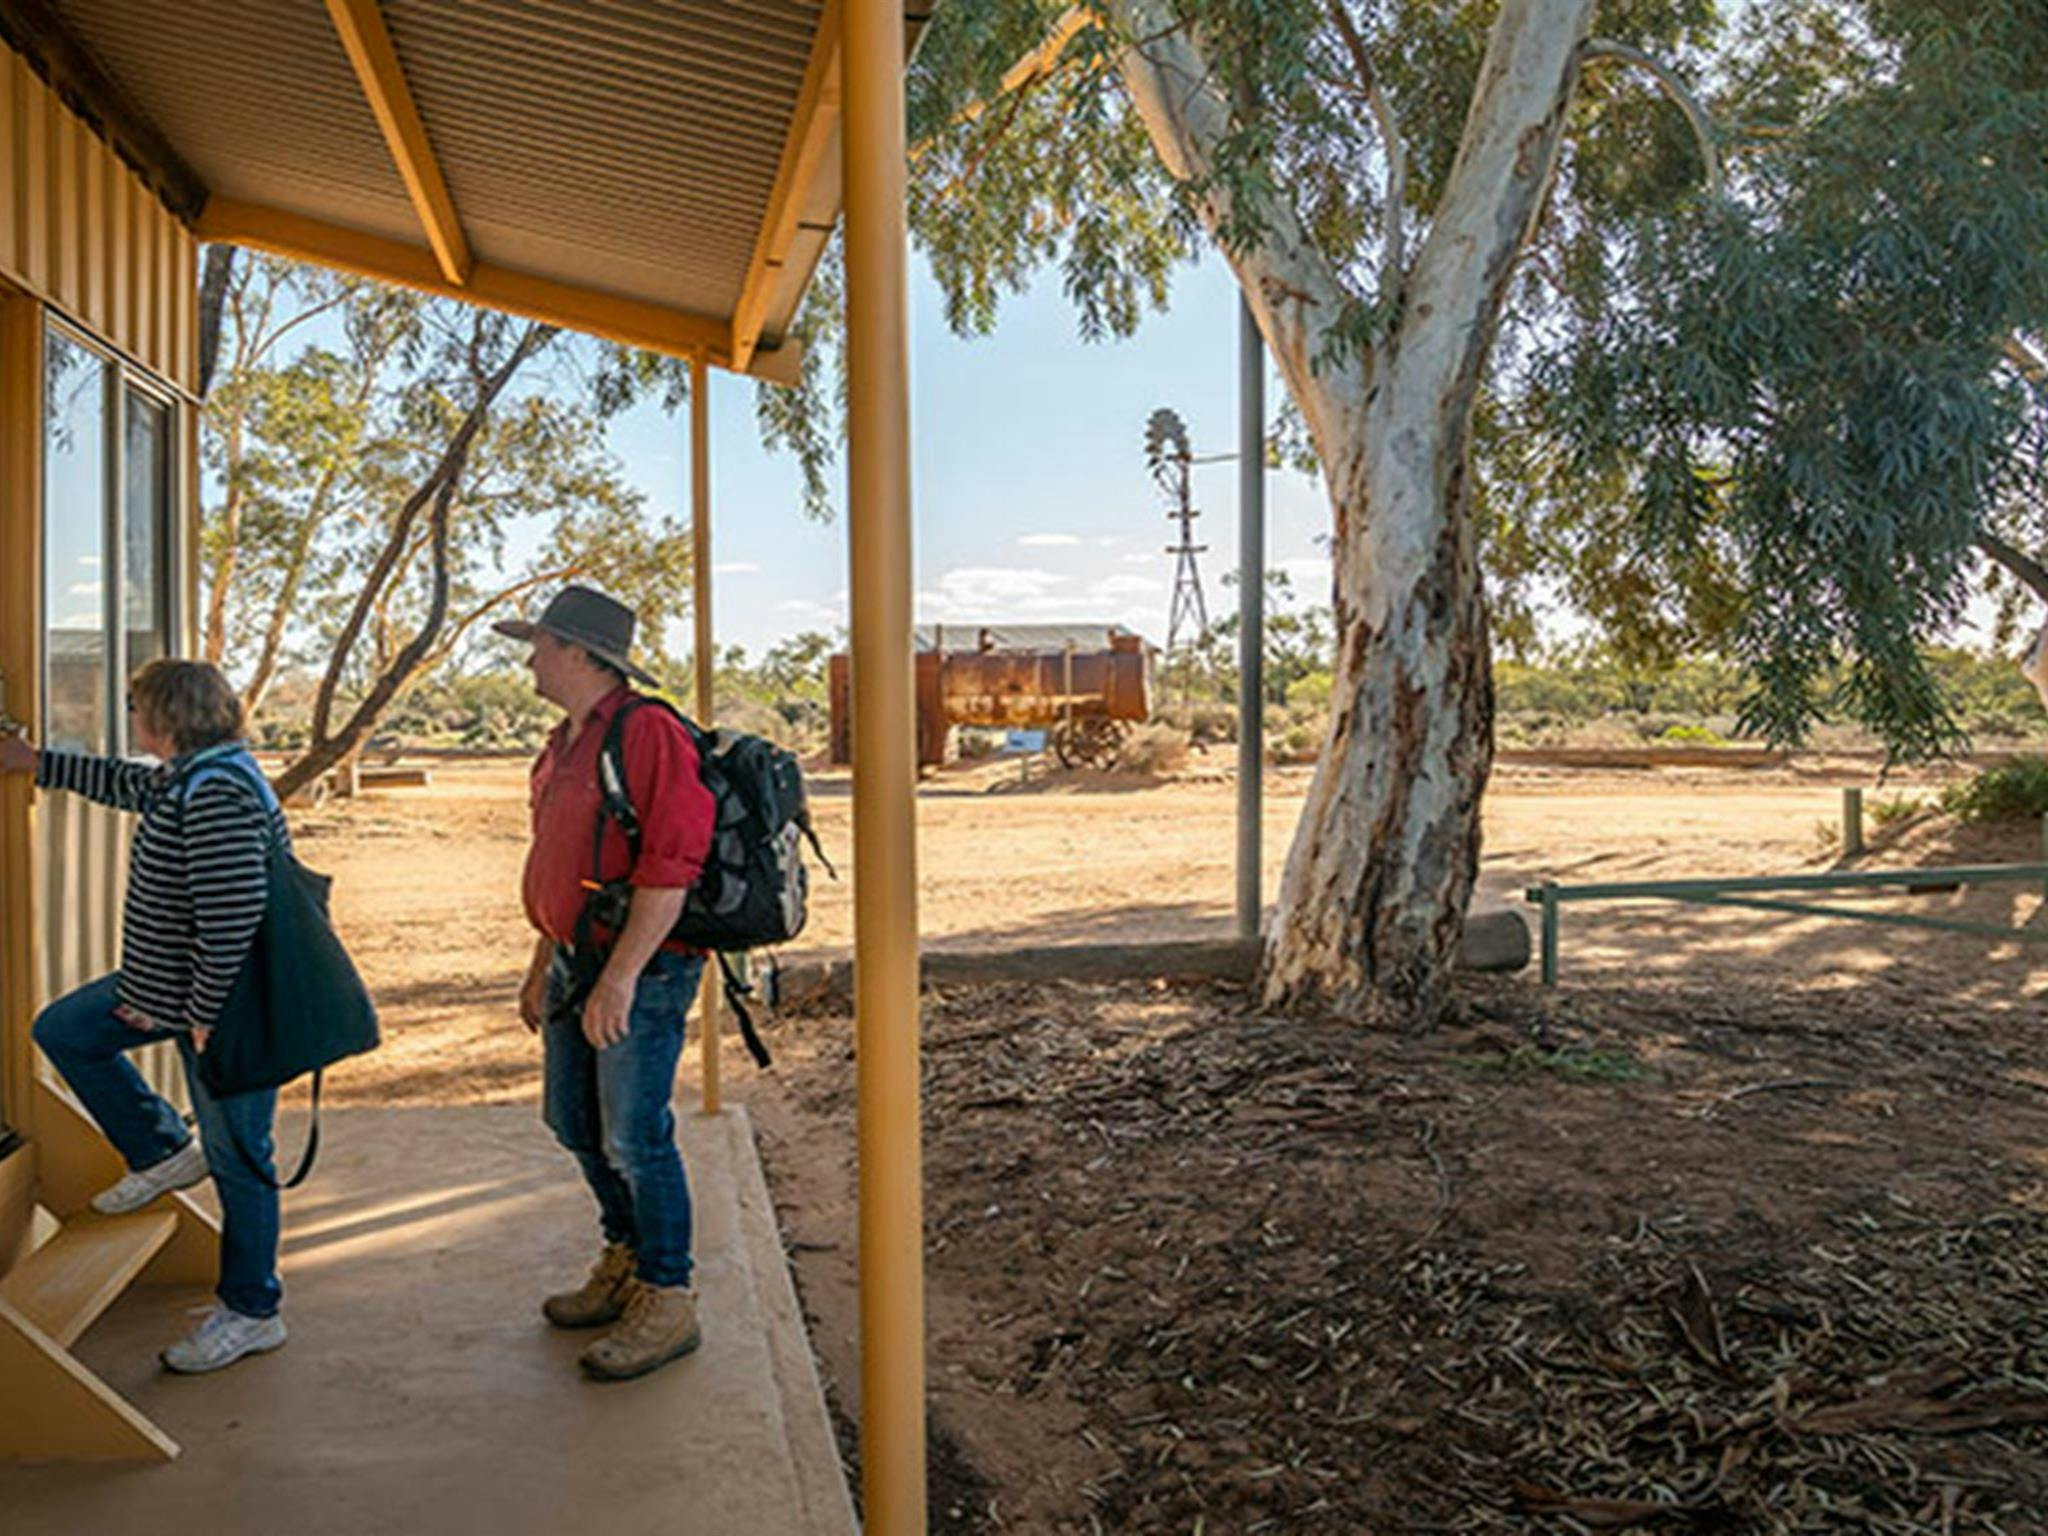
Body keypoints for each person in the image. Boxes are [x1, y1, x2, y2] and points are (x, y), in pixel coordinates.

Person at [0, 659, 289, 1373]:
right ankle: (163, 1149)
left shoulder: (218, 791)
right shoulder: (187, 777)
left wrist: (202, 1016)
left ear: (166, 715)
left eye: (135, 708)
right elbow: (126, 783)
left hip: (224, 1007)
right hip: (172, 993)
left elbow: (232, 918)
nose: (131, 720)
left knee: (242, 1158)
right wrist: (38, 763)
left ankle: (253, 1311)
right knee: (65, 1030)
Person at [499, 585, 716, 1381]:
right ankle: (625, 1257)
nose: (531, 658)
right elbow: (556, 864)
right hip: (571, 961)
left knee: (634, 1134)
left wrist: (620, 978)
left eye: (542, 644)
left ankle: (669, 1295)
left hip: (642, 970)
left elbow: (671, 864)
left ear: (582, 655)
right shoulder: (562, 743)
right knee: (573, 1123)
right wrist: (541, 963)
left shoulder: (646, 731)